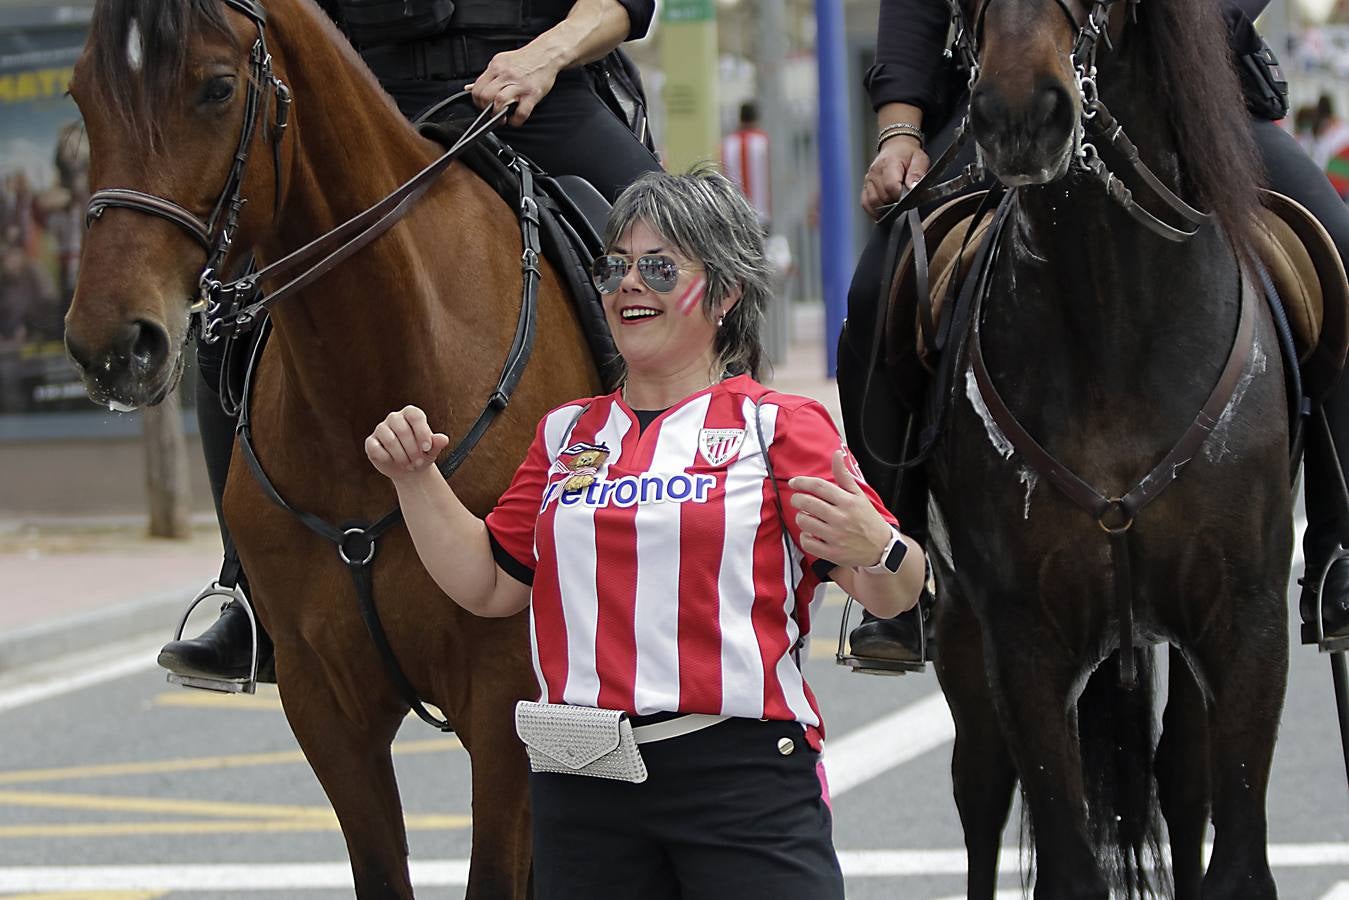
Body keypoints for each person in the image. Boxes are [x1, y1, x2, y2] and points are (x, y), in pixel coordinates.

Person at [364, 168, 925, 898]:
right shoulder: (567, 432)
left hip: (740, 779)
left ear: (723, 294)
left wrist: (879, 547)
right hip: (584, 784)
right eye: (614, 267)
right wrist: (414, 479)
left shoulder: (777, 426)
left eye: (660, 267)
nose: (629, 284)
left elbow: (894, 593)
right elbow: (490, 582)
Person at [158, 0, 664, 682]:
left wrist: (543, 57)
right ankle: (246, 596)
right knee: (229, 310)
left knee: (675, 251)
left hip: (537, 89)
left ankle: (687, 542)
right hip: (362, 99)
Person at [837, 0, 1349, 665]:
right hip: (1006, 89)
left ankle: (1338, 549)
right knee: (876, 292)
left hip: (1182, 88)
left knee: (1336, 251)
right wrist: (898, 132)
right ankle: (895, 566)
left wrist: (1181, 35)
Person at [721, 101, 772, 229]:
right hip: (763, 214)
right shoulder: (764, 141)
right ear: (757, 118)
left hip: (735, 213)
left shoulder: (727, 143)